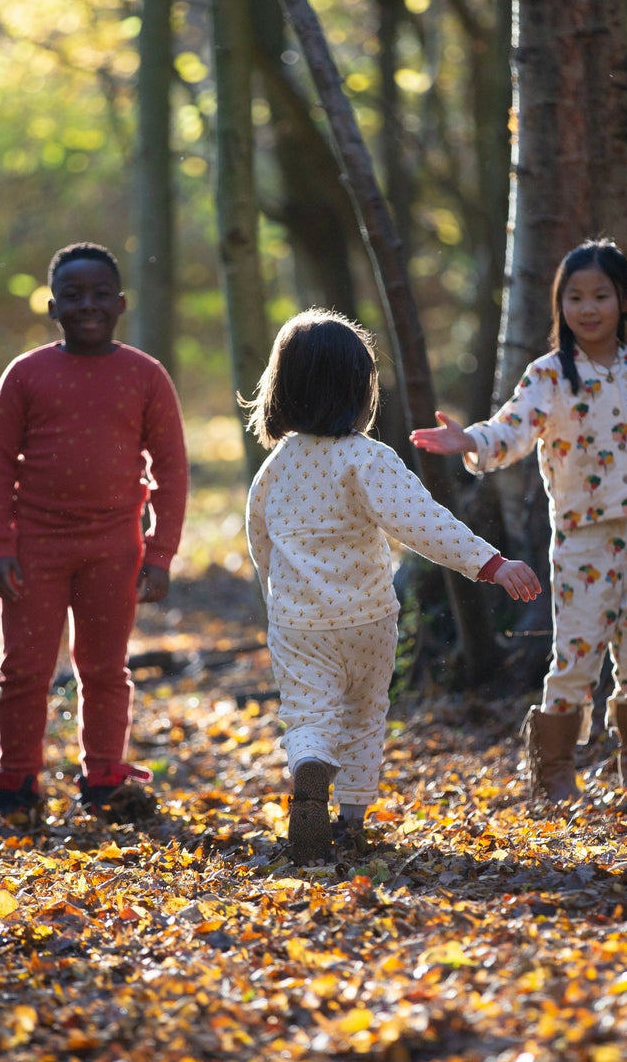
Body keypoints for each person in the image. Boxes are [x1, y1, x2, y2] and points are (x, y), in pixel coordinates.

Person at [410, 238, 627, 803]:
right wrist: (468, 439)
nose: (588, 308)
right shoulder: (548, 376)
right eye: (575, 297)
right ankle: (554, 775)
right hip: (581, 542)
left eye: (601, 295)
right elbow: (510, 430)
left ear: (624, 301)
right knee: (575, 656)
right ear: (560, 305)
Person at [243, 308, 541, 865]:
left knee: (308, 714)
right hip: (366, 617)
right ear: (359, 390)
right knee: (363, 715)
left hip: (297, 624)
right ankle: (351, 824)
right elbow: (423, 524)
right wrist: (490, 563)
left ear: (281, 390)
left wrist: (275, 598)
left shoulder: (273, 469)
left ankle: (309, 763)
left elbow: (261, 544)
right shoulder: (366, 459)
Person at [0, 241, 189, 821]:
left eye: (99, 295)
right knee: (23, 668)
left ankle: (103, 780)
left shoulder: (145, 375)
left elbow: (170, 468)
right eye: (73, 295)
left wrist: (160, 553)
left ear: (120, 303)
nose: (87, 305)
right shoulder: (25, 375)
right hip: (35, 547)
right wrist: (0, 545)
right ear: (52, 306)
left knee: (103, 667)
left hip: (114, 547)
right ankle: (17, 782)